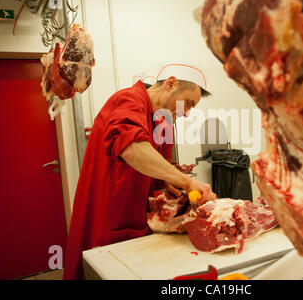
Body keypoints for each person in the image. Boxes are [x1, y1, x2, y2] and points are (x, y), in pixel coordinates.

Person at [63, 66, 216, 280]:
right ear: (170, 84)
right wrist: (187, 183)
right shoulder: (127, 100)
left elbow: (154, 167)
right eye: (188, 103)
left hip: (136, 221)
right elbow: (132, 148)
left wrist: (167, 182)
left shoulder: (164, 123)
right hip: (106, 218)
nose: (187, 112)